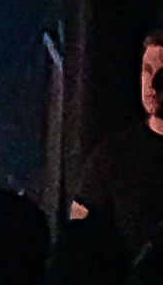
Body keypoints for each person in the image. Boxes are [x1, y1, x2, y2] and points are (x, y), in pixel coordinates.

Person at [65, 28, 163, 255]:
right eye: (147, 72)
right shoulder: (111, 157)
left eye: (161, 75)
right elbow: (76, 241)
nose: (151, 85)